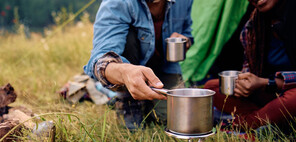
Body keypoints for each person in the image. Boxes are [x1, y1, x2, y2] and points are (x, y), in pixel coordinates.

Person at [84, 0, 194, 130]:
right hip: (130, 66)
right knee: (134, 128)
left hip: (165, 67)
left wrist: (186, 40)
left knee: (172, 118)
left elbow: (187, 31)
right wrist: (125, 73)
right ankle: (126, 97)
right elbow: (99, 60)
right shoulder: (117, 3)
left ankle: (143, 99)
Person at [204, 0, 296, 133]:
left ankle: (245, 123)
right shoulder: (255, 24)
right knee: (211, 88)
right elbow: (249, 68)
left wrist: (268, 82)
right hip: (269, 96)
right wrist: (244, 83)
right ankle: (273, 120)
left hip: (288, 93)